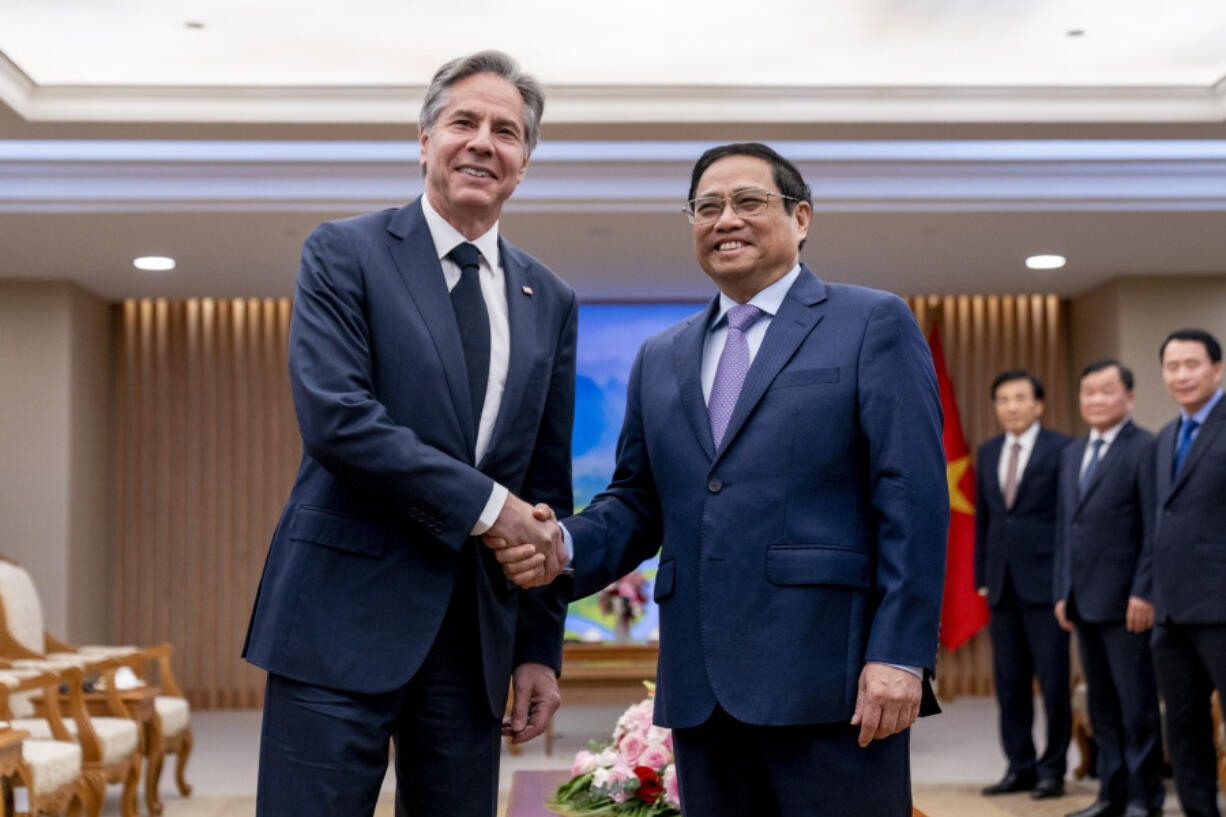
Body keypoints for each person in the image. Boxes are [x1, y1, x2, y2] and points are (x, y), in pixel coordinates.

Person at [494, 142, 948, 816]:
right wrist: (558, 541)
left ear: (801, 217)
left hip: (833, 682)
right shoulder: (661, 356)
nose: (725, 218)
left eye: (747, 202)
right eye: (706, 207)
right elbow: (638, 502)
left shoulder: (870, 322)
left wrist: (901, 655)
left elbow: (912, 498)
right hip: (702, 690)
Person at [242, 51, 577, 817]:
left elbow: (546, 489)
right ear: (425, 140)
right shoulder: (344, 252)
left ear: (525, 163)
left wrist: (537, 648)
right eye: (464, 121)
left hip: (474, 643)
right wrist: (492, 508)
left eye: (507, 131)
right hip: (336, 624)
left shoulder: (549, 297)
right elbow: (339, 419)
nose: (483, 142)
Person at [1053, 360, 1163, 817]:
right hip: (1083, 600)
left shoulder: (1147, 448)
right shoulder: (1073, 454)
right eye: (1088, 392)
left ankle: (1144, 797)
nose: (1095, 400)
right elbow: (1066, 529)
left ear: (1129, 397)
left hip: (1128, 602)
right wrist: (1063, 590)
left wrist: (1145, 591)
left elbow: (1156, 527)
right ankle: (1110, 794)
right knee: (1103, 707)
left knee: (1137, 707)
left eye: (1106, 391)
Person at [976, 370, 1073, 799]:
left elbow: (1070, 521)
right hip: (1001, 585)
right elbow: (986, 520)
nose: (1010, 407)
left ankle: (1054, 769)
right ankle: (1020, 766)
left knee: (1053, 683)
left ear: (1039, 404)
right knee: (1010, 681)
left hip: (1047, 585)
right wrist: (981, 576)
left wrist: (1066, 582)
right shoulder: (988, 451)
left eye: (1019, 398)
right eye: (1002, 399)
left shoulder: (1063, 449)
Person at [1149, 328, 1226, 817]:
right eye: (1172, 366)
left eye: (1192, 364)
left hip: (1221, 605)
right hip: (1172, 612)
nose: (1181, 375)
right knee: (1184, 728)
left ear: (1217, 369)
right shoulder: (1164, 438)